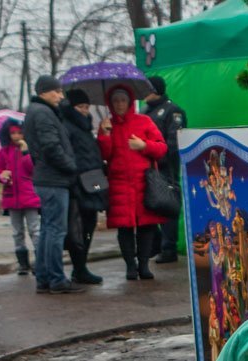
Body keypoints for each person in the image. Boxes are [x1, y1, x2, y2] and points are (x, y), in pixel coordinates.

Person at [23, 74, 85, 294]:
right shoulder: (43, 113)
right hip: (54, 179)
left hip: (47, 178)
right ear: (43, 92)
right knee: (56, 231)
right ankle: (57, 279)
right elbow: (51, 147)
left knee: (49, 230)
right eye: (56, 91)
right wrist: (71, 166)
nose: (60, 96)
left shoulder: (38, 111)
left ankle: (44, 278)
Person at [98, 85, 167, 280]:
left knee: (146, 226)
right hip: (119, 184)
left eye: (123, 100)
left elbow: (162, 148)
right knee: (125, 228)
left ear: (130, 102)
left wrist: (143, 145)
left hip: (144, 183)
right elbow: (105, 155)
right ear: (110, 104)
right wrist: (105, 136)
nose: (119, 104)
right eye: (115, 101)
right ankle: (130, 265)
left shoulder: (144, 121)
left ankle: (144, 264)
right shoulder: (106, 124)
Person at [61, 88, 106, 285]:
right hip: (79, 182)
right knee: (78, 229)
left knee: (89, 224)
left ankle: (81, 268)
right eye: (81, 106)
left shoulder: (86, 127)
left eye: (87, 107)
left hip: (93, 180)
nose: (85, 111)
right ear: (71, 107)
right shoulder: (67, 127)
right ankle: (79, 268)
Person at [142, 75, 187, 264]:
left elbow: (174, 142)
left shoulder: (172, 111)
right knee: (150, 207)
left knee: (167, 205)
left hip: (165, 168)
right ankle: (156, 245)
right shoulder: (145, 112)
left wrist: (158, 158)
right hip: (147, 168)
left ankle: (169, 248)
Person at [0, 118, 40, 276]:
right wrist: (2, 175)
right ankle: (23, 264)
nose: (16, 135)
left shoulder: (31, 149)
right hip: (12, 196)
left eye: (19, 132)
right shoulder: (4, 151)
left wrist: (26, 152)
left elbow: (33, 169)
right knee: (16, 232)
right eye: (13, 133)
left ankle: (40, 259)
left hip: (30, 196)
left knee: (34, 229)